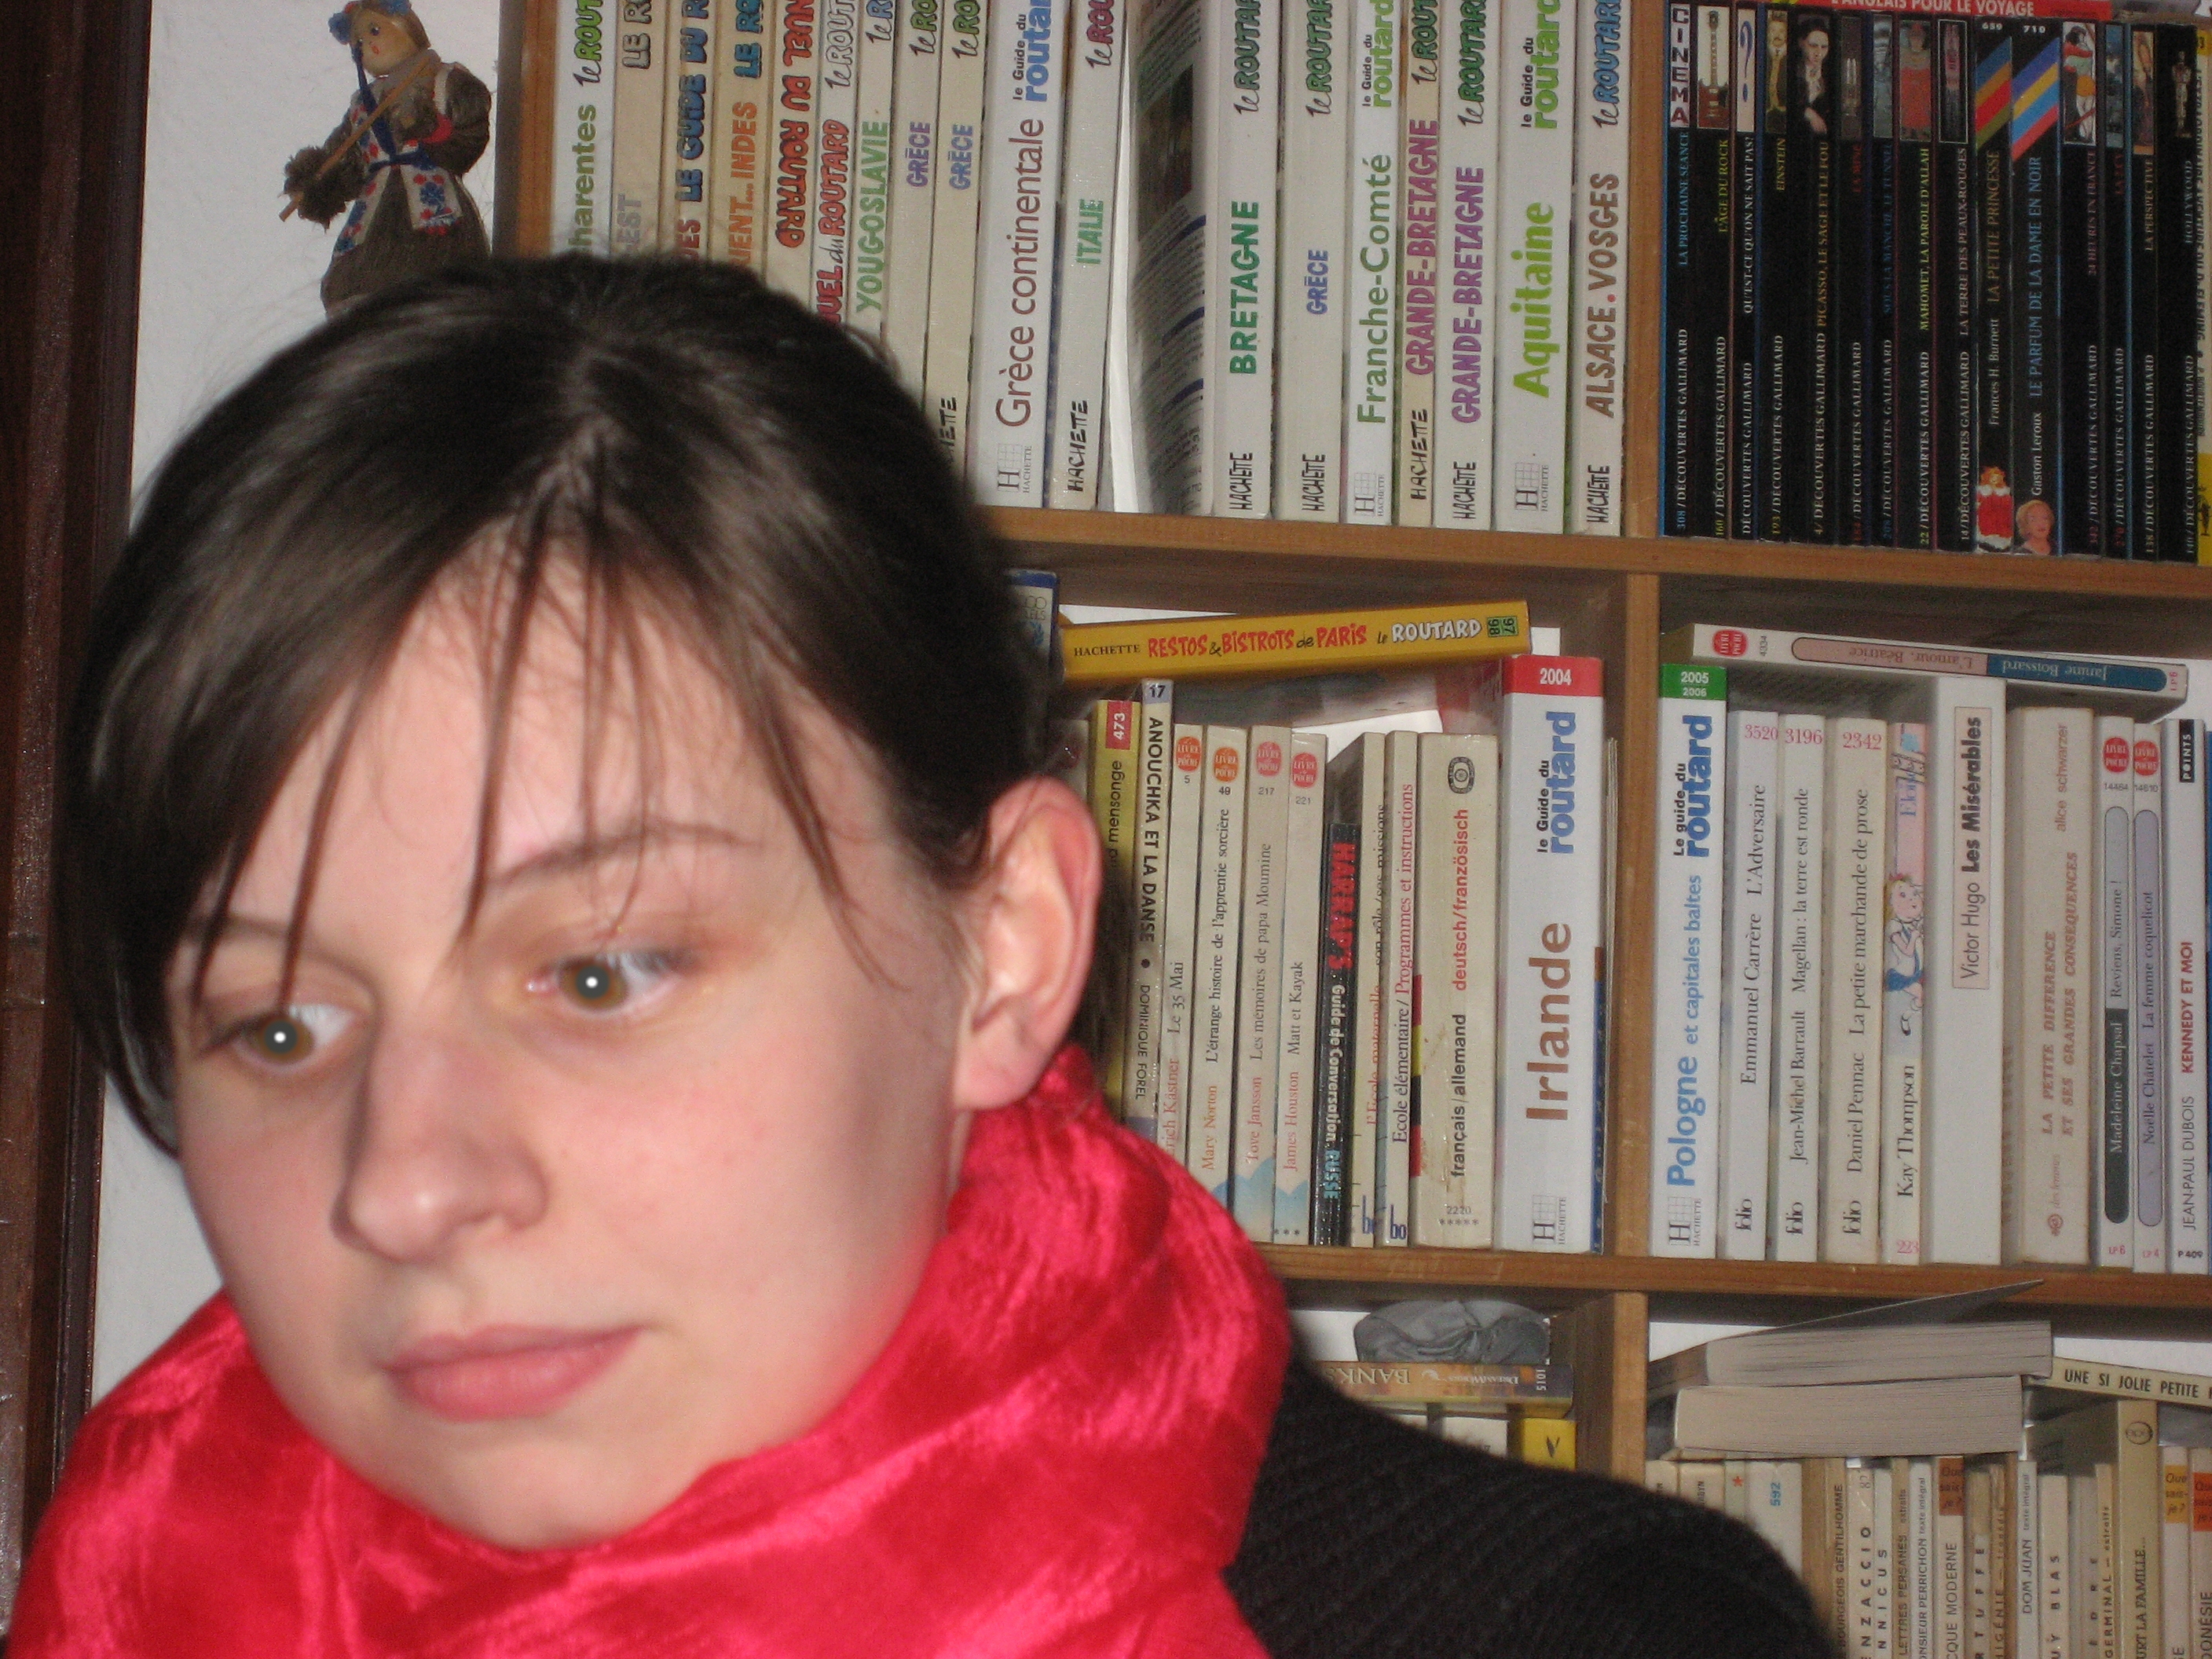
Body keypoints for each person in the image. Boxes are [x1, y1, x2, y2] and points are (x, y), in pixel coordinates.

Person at [13, 259, 1829, 1657]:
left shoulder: (1575, 1636)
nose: (403, 1184)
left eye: (602, 972)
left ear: (1003, 948)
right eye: (278, 1024)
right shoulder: (137, 1578)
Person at [284, 2, 491, 313]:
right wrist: (320, 182)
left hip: (433, 206)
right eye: (359, 41)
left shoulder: (445, 82)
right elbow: (349, 162)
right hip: (375, 214)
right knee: (361, 286)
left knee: (436, 278)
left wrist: (433, 130)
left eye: (375, 30)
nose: (368, 45)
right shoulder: (362, 105)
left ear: (407, 26)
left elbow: (470, 136)